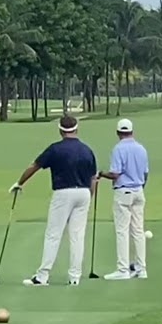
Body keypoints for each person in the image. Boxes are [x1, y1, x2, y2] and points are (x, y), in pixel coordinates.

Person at [10, 114, 98, 287]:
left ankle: (42, 276)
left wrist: (20, 183)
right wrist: (89, 195)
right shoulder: (87, 150)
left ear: (60, 130)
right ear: (76, 129)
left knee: (53, 234)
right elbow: (93, 178)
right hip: (84, 192)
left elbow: (35, 166)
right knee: (77, 236)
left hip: (63, 193)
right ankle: (74, 277)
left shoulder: (55, 149)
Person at [96, 118, 149, 280]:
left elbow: (115, 173)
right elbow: (145, 173)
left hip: (124, 192)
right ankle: (141, 269)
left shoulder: (118, 149)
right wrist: (139, 187)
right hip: (139, 191)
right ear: (132, 131)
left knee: (122, 231)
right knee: (138, 231)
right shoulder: (141, 148)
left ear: (118, 132)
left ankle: (122, 269)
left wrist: (101, 173)